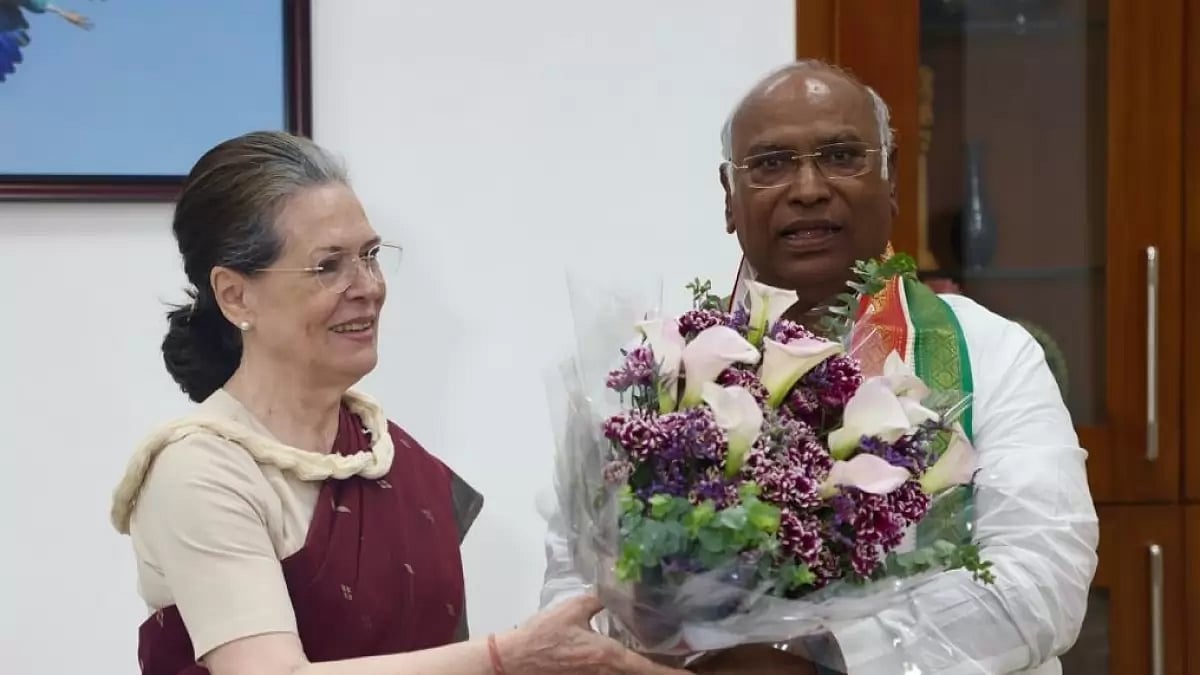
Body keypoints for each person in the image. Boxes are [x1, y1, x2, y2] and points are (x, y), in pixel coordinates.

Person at [540, 61, 1099, 674]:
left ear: (890, 182)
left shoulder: (992, 353)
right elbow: (576, 594)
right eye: (771, 164)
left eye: (840, 155)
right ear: (730, 198)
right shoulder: (658, 381)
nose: (807, 188)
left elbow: (1041, 578)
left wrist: (820, 660)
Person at [109, 130, 689, 675]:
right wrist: (505, 656)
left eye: (370, 255)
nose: (367, 286)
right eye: (328, 265)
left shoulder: (387, 454)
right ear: (235, 295)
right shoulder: (201, 468)